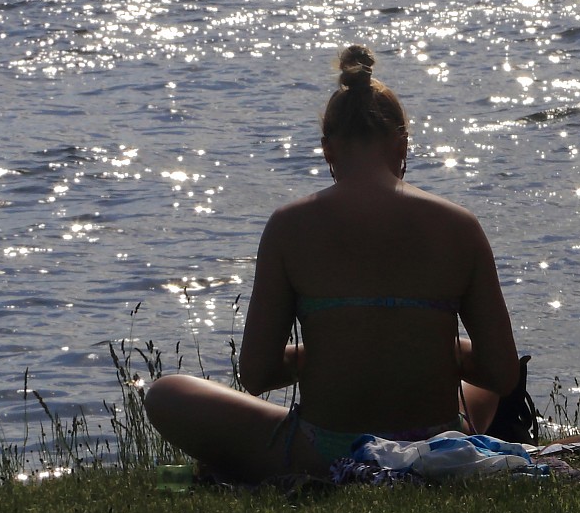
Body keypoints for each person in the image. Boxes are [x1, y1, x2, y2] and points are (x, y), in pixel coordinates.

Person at [143, 45, 524, 481]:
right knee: (481, 390)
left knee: (166, 394)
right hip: (431, 443)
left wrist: (334, 348)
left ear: (327, 149)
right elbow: (501, 373)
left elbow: (257, 373)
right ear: (402, 143)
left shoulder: (289, 226)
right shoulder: (459, 225)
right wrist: (421, 347)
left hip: (323, 451)